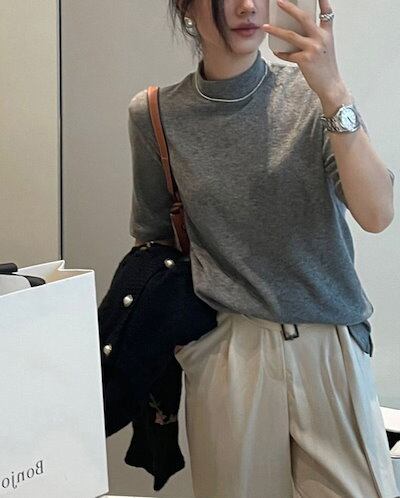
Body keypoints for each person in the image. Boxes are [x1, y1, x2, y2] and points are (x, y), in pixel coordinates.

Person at [128, 1, 399, 496]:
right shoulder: (156, 114)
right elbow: (155, 237)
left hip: (329, 346)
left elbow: (378, 214)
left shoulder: (311, 93)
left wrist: (333, 89)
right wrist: (197, 350)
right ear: (186, 8)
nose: (248, 5)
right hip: (229, 354)